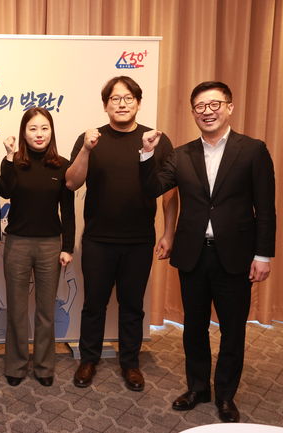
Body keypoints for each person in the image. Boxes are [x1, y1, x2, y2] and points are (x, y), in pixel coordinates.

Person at [139, 81, 276, 422]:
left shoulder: (253, 150)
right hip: (194, 254)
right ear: (193, 113)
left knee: (233, 329)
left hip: (236, 255)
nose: (207, 111)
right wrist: (146, 154)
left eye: (214, 104)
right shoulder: (181, 154)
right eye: (200, 106)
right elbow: (153, 187)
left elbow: (265, 208)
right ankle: (198, 387)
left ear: (229, 107)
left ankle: (226, 395)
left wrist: (263, 255)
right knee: (194, 327)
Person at [65, 76, 178, 392]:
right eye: (115, 99)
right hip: (98, 240)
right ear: (106, 105)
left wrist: (169, 233)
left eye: (128, 98)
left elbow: (170, 192)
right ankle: (89, 360)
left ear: (138, 103)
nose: (122, 104)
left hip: (139, 240)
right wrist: (86, 150)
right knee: (94, 305)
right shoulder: (91, 138)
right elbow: (71, 182)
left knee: (132, 306)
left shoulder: (156, 140)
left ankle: (131, 363)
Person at [0, 107, 75, 387]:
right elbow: (4, 190)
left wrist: (68, 247)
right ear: (23, 132)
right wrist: (9, 156)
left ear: (51, 131)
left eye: (44, 128)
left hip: (50, 245)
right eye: (32, 128)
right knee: (17, 309)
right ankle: (16, 366)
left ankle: (44, 367)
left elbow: (68, 210)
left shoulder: (63, 165)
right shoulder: (14, 162)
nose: (39, 134)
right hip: (17, 243)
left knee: (45, 310)